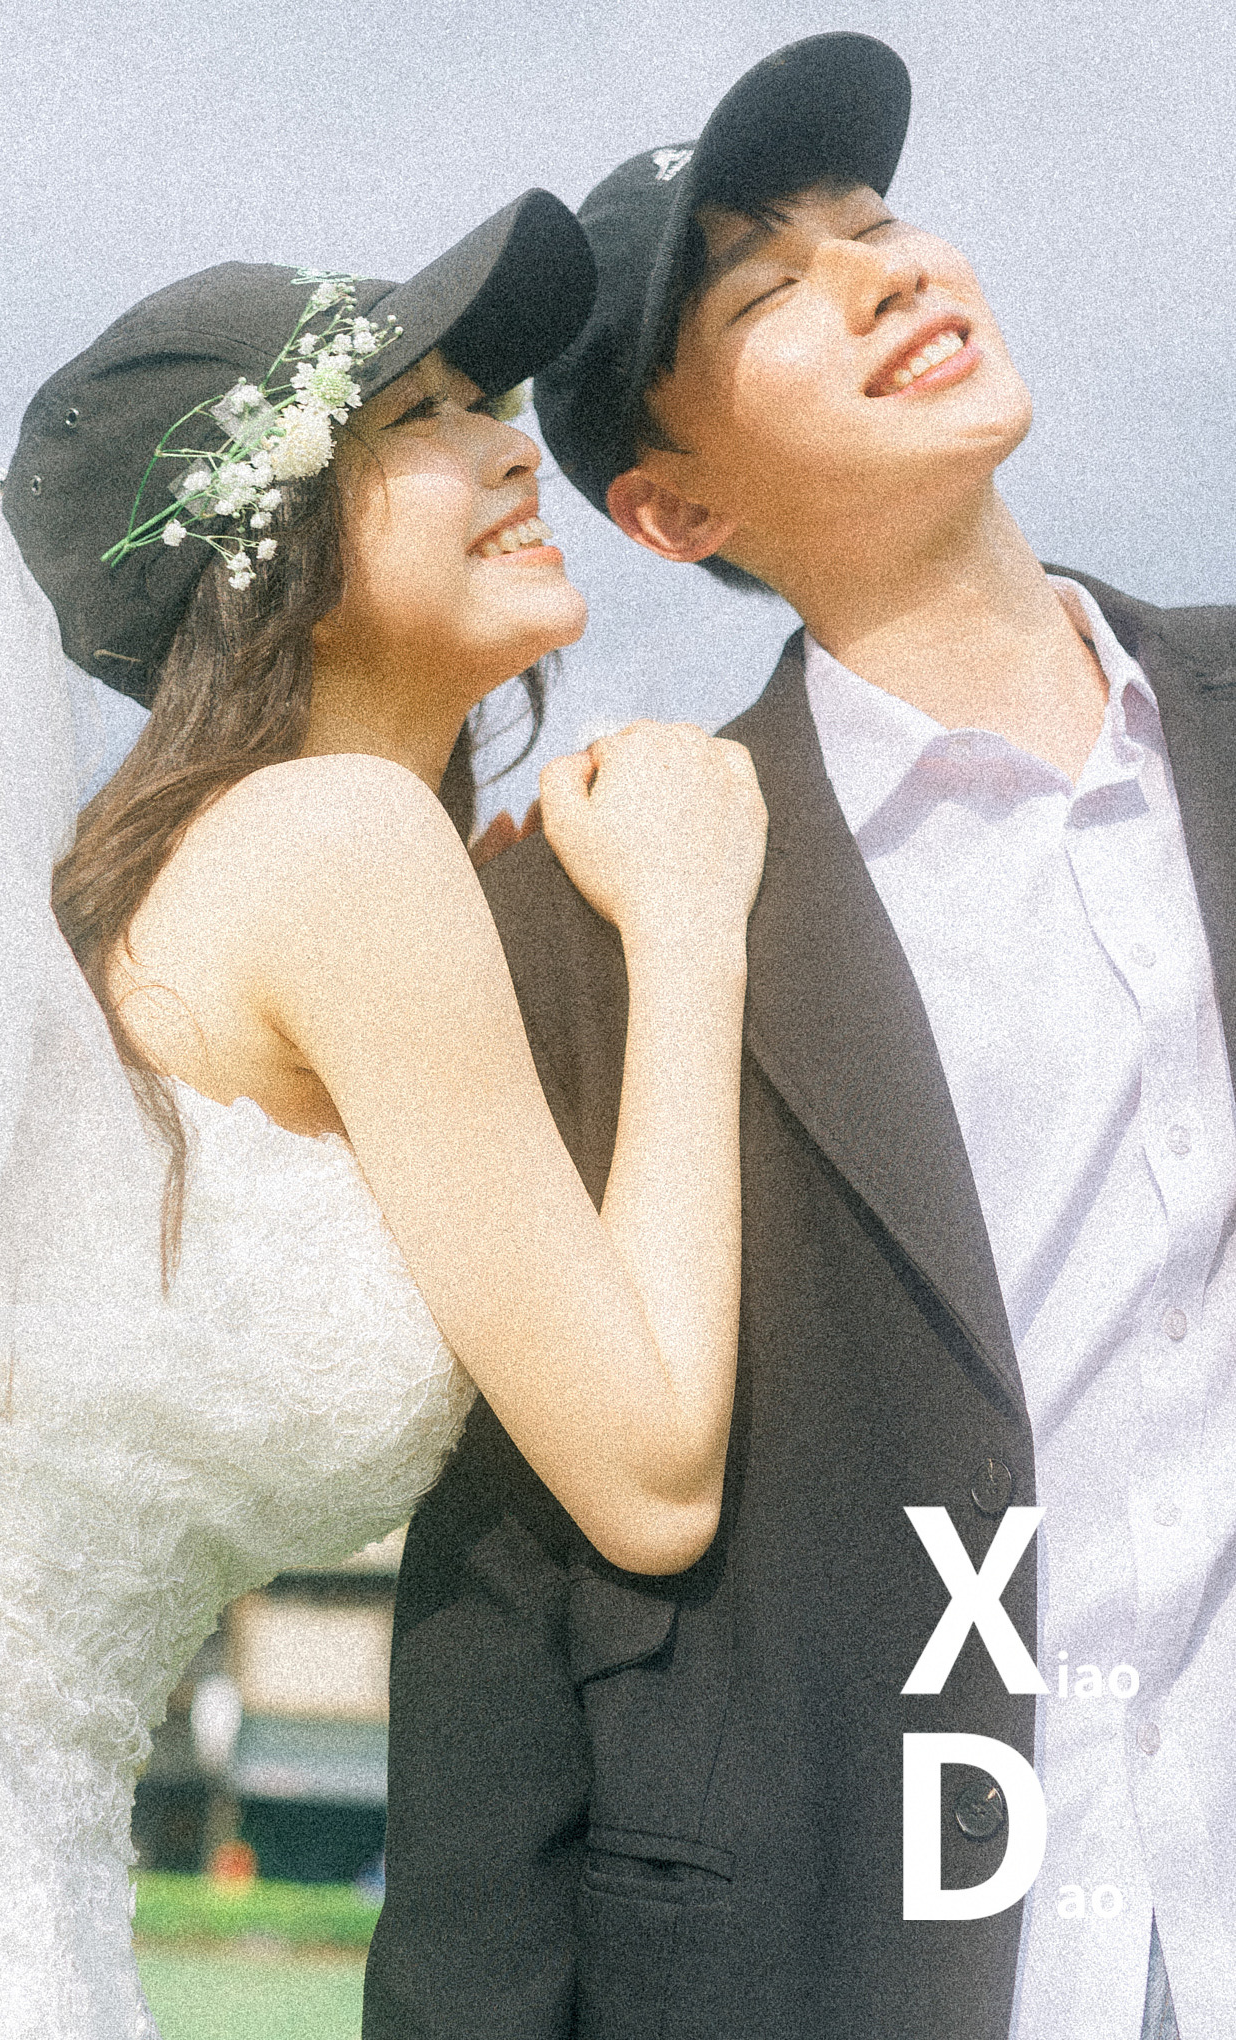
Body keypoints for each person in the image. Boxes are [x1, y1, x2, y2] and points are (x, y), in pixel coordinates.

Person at [363, 34, 1236, 2040]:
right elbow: (506, 1590)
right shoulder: (597, 919)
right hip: (867, 1957)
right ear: (672, 509)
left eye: (879, 222)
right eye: (769, 289)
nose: (881, 272)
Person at [0, 189, 769, 2037]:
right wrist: (692, 929)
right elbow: (651, 1475)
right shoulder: (336, 841)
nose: (509, 444)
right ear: (268, 545)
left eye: (488, 400)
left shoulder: (204, 881)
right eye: (420, 415)